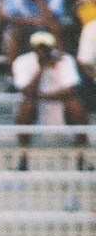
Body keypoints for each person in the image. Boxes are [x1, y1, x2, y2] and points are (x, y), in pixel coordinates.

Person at [11, 30, 88, 170]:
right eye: (39, 48)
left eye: (45, 48)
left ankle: (82, 157)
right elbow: (27, 91)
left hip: (59, 106)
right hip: (36, 107)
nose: (42, 52)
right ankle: (23, 157)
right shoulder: (22, 61)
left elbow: (71, 89)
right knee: (26, 105)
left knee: (75, 105)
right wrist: (42, 68)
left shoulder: (64, 60)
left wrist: (42, 96)